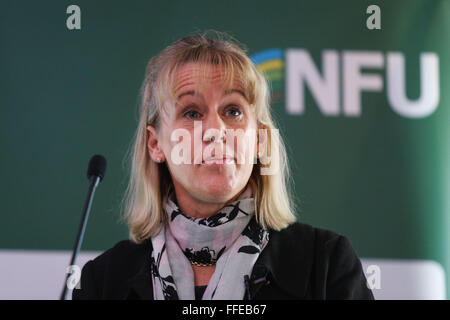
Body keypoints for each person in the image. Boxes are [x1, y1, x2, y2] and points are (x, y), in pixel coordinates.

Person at [72, 31, 374, 300]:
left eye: (233, 110)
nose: (216, 130)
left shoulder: (325, 264)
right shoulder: (102, 282)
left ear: (258, 140)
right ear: (155, 144)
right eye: (191, 113)